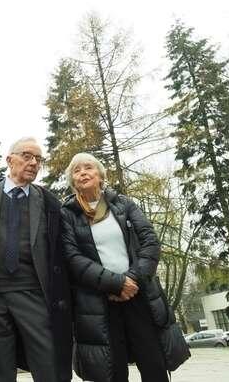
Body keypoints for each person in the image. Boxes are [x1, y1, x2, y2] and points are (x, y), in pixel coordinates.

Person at [0, 137, 72, 382]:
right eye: (27, 156)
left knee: (49, 366)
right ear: (10, 160)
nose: (33, 163)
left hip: (34, 294)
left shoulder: (48, 202)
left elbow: (63, 252)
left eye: (38, 159)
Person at [60, 152, 173, 382]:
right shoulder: (67, 215)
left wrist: (132, 280)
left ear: (101, 175)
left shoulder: (124, 204)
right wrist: (115, 283)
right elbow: (72, 258)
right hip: (98, 304)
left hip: (138, 295)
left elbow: (150, 243)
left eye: (88, 167)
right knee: (113, 372)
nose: (83, 173)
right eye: (76, 170)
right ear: (73, 181)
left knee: (153, 364)